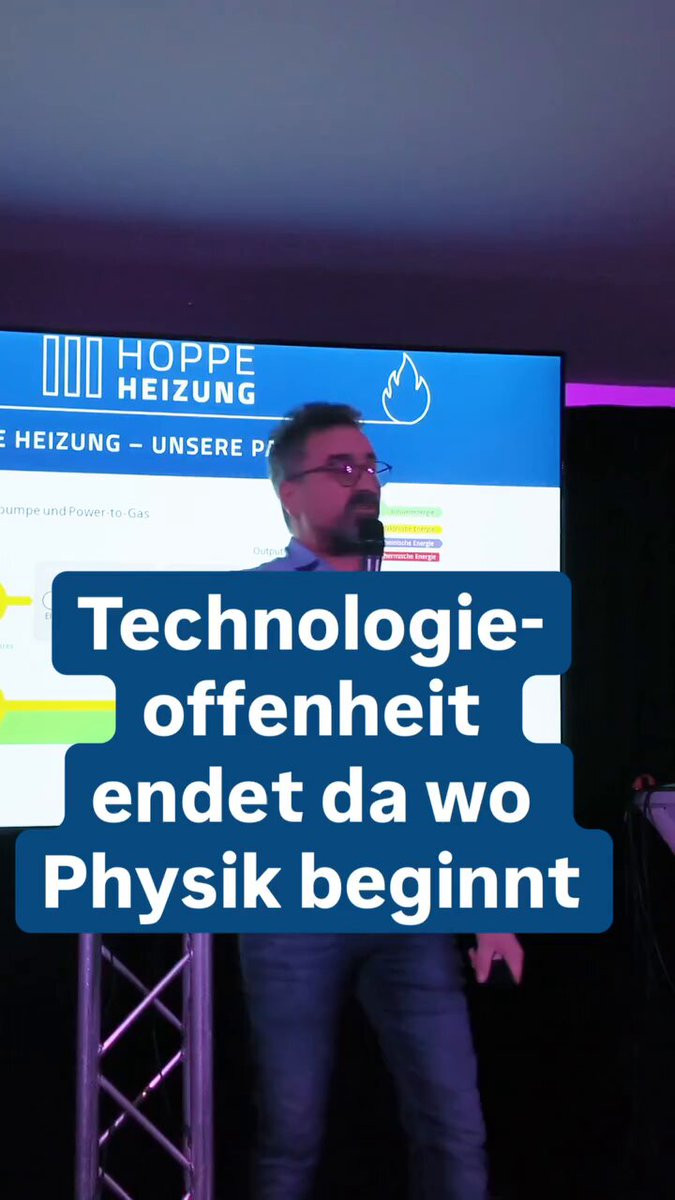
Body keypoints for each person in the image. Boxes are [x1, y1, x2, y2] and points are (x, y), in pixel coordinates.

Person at [239, 402, 524, 1200]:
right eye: (342, 468)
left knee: (455, 1128)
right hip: (291, 914)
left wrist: (490, 910)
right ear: (289, 494)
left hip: (411, 912)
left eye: (370, 467)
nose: (365, 483)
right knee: (291, 1138)